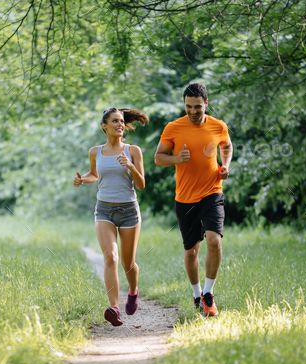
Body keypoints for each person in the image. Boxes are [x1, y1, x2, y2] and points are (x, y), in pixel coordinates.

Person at [154, 83, 233, 317]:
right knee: (191, 252)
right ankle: (196, 293)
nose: (192, 111)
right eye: (188, 107)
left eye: (197, 107)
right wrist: (177, 158)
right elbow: (159, 158)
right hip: (185, 198)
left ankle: (209, 294)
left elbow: (227, 146)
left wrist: (225, 165)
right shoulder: (173, 128)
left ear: (206, 104)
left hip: (212, 192)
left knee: (214, 241)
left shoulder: (218, 126)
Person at [74, 107, 148, 326]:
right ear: (104, 126)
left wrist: (131, 167)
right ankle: (114, 308)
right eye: (115, 121)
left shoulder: (133, 150)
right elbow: (94, 175)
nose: (120, 125)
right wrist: (82, 180)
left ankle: (133, 290)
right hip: (104, 209)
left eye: (122, 121)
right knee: (110, 257)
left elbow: (142, 185)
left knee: (128, 263)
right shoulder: (95, 152)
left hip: (129, 211)